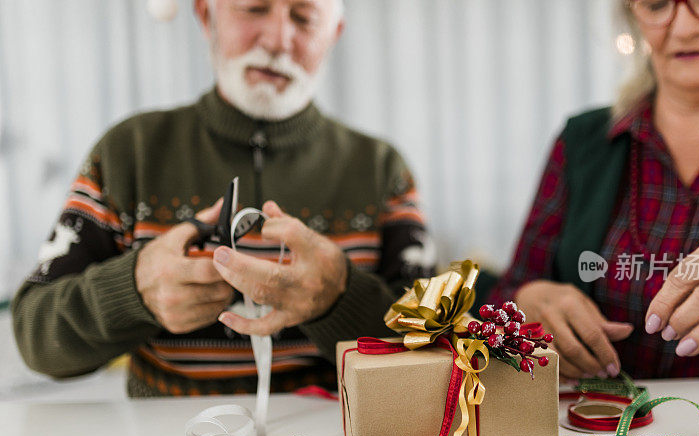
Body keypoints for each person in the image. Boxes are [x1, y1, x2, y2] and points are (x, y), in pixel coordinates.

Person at [12, 0, 435, 397]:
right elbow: (36, 336)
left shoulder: (382, 169)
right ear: (205, 15)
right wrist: (132, 290)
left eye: (304, 17)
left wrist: (340, 298)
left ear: (334, 34)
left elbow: (438, 350)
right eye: (255, 8)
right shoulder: (128, 152)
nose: (277, 40)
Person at [492, 0, 699, 380]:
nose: (683, 28)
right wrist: (528, 304)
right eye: (656, 4)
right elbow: (507, 297)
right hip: (593, 431)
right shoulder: (583, 142)